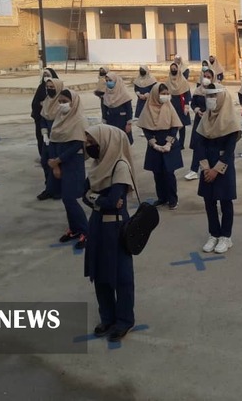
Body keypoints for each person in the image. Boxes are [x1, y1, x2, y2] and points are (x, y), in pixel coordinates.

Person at [82, 124, 136, 343]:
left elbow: (114, 201)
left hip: (116, 227)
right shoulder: (97, 164)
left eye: (92, 142)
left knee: (121, 275)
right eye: (88, 142)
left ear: (106, 142)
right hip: (97, 224)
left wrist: (94, 198)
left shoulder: (120, 166)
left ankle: (124, 320)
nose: (89, 146)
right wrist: (98, 200)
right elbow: (83, 194)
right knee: (100, 272)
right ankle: (107, 317)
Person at [193, 82, 242, 254]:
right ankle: (213, 234)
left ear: (221, 97)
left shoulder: (230, 120)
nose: (210, 99)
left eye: (213, 96)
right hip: (207, 165)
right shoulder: (206, 118)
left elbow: (229, 150)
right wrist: (206, 167)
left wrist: (216, 170)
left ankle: (226, 237)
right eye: (208, 96)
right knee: (209, 201)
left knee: (225, 201)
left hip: (223, 166)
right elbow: (199, 144)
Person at [48, 89, 89, 249]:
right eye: (60, 102)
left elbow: (77, 144)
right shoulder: (59, 118)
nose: (62, 105)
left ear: (74, 102)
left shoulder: (79, 120)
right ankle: (74, 229)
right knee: (66, 199)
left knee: (70, 199)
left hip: (72, 163)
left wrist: (58, 160)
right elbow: (53, 141)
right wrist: (54, 163)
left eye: (65, 101)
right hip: (58, 163)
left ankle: (85, 231)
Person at [137, 83, 184, 210]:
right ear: (155, 95)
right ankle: (162, 198)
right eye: (163, 94)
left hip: (169, 142)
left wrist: (169, 143)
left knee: (169, 173)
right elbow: (146, 128)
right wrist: (154, 144)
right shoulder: (148, 108)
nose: (166, 96)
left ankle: (173, 199)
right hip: (154, 143)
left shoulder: (169, 107)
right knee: (157, 173)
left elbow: (174, 126)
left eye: (167, 94)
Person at [184, 68, 215, 181]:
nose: (206, 79)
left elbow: (219, 105)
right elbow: (193, 103)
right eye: (205, 76)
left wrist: (208, 113)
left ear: (213, 78)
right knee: (198, 145)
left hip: (211, 121)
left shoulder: (216, 91)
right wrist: (197, 110)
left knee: (210, 146)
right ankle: (194, 170)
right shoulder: (198, 90)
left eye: (209, 77)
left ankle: (208, 168)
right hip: (199, 121)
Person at [38, 77, 64, 201]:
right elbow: (43, 119)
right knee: (45, 162)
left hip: (60, 139)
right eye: (48, 87)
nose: (50, 89)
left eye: (52, 87)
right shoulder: (46, 101)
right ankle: (49, 188)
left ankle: (58, 189)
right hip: (48, 139)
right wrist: (44, 134)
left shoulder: (63, 103)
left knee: (57, 164)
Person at [31, 68, 58, 156]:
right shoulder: (41, 88)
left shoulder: (58, 88)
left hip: (54, 119)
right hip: (42, 117)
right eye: (45, 75)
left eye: (48, 75)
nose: (46, 77)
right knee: (42, 137)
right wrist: (41, 104)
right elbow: (35, 103)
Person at [101, 72, 134, 145]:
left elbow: (129, 109)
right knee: (112, 141)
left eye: (110, 80)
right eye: (107, 81)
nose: (108, 83)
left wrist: (129, 124)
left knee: (124, 142)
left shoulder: (124, 94)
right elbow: (104, 109)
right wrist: (104, 120)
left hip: (122, 121)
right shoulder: (105, 94)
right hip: (110, 121)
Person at [166, 60, 192, 149]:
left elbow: (187, 93)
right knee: (172, 125)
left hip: (181, 104)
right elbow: (165, 92)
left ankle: (181, 143)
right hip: (172, 104)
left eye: (175, 68)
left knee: (182, 125)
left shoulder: (183, 81)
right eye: (172, 69)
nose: (173, 70)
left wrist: (186, 105)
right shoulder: (168, 81)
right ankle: (172, 142)